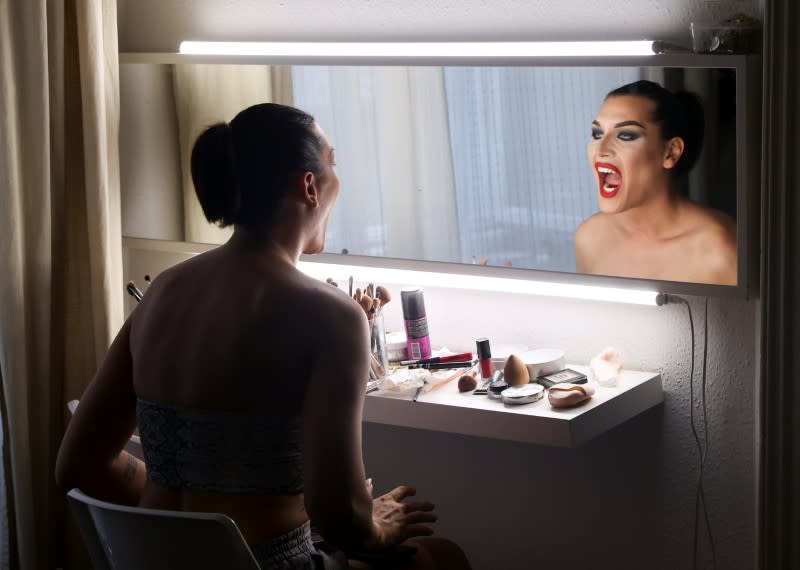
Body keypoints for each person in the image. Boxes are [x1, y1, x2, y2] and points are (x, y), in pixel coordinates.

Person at [56, 103, 471, 570]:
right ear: (309, 186)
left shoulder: (163, 292)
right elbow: (339, 516)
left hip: (150, 560)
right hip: (267, 563)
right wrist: (378, 525)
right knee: (442, 557)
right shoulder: (330, 316)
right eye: (332, 162)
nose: (337, 177)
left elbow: (79, 466)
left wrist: (189, 514)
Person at [574, 80, 737, 285]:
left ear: (670, 152)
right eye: (597, 134)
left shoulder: (721, 251)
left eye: (625, 135)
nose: (600, 149)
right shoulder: (589, 239)